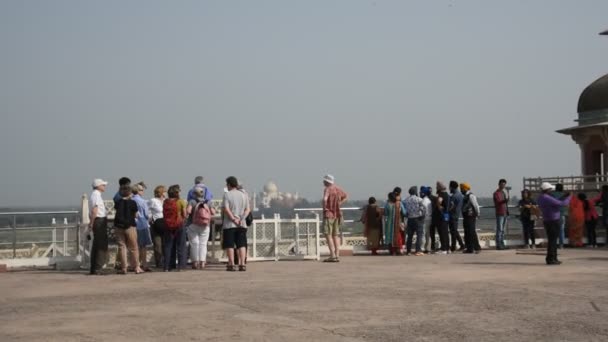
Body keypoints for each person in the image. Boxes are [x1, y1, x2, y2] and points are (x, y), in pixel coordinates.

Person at [537, 182, 571, 265]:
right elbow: (562, 204)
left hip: (547, 220)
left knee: (552, 240)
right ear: (547, 190)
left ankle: (552, 258)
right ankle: (551, 259)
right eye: (550, 189)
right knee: (553, 240)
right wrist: (569, 198)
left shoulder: (541, 197)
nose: (551, 190)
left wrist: (564, 197)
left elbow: (556, 202)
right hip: (553, 220)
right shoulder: (547, 197)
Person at [222, 176, 251, 271]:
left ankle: (231, 264)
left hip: (230, 224)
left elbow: (226, 209)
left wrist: (233, 219)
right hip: (241, 224)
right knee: (241, 244)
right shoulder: (244, 195)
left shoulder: (227, 195)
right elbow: (247, 209)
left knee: (230, 244)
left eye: (227, 184)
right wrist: (241, 219)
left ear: (229, 185)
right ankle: (242, 264)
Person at [114, 184, 143, 274]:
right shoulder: (133, 203)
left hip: (119, 226)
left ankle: (124, 268)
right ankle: (137, 267)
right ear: (130, 193)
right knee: (134, 247)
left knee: (122, 247)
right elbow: (136, 215)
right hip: (130, 226)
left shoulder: (118, 202)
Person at [321, 174, 348, 262]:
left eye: (324, 180)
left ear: (327, 181)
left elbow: (325, 199)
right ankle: (337, 254)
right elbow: (346, 196)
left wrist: (325, 208)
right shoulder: (337, 188)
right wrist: (339, 203)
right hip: (337, 214)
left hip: (329, 214)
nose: (323, 182)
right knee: (335, 235)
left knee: (328, 235)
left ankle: (332, 255)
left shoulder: (327, 189)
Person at [162, 185, 188, 272]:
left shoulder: (165, 202)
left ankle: (167, 266)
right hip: (179, 225)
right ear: (177, 193)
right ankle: (181, 266)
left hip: (168, 225)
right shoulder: (181, 201)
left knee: (168, 246)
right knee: (181, 246)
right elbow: (184, 214)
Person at [186, 188, 213, 269]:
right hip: (205, 225)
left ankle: (195, 263)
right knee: (203, 244)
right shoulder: (208, 202)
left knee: (194, 244)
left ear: (194, 194)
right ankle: (202, 263)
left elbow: (188, 211)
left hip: (193, 224)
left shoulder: (192, 201)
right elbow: (213, 212)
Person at [89, 179, 109, 275]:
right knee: (101, 245)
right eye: (103, 185)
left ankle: (94, 268)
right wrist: (91, 223)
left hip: (98, 220)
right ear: (98, 186)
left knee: (97, 245)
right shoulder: (96, 195)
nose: (104, 186)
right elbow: (95, 210)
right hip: (99, 221)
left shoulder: (95, 195)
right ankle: (98, 268)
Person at [132, 183, 153, 272]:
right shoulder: (142, 201)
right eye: (141, 190)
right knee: (143, 246)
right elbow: (147, 215)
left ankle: (135, 264)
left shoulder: (131, 200)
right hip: (142, 225)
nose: (143, 191)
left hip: (133, 225)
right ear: (138, 191)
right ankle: (144, 264)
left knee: (134, 246)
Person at [404, 186, 426, 256]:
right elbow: (423, 209)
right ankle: (417, 250)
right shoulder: (419, 199)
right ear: (415, 192)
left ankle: (408, 251)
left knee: (409, 236)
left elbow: (405, 211)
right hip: (418, 219)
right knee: (419, 235)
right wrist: (422, 216)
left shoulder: (406, 200)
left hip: (410, 219)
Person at [460, 183, 481, 254]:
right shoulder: (465, 196)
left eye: (462, 189)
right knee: (467, 232)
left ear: (465, 189)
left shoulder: (471, 196)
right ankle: (469, 248)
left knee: (471, 232)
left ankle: (476, 247)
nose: (461, 190)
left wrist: (478, 213)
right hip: (466, 216)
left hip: (471, 216)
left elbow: (475, 205)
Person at [148, 185, 166, 269]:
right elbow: (148, 210)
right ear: (161, 192)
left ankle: (166, 261)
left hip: (165, 223)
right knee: (157, 244)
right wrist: (150, 219)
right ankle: (159, 263)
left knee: (165, 243)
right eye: (165, 191)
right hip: (156, 224)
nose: (166, 193)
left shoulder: (165, 201)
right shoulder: (153, 200)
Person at [431, 182, 450, 255]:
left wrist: (439, 207)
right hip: (446, 215)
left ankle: (444, 249)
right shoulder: (447, 195)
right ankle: (447, 248)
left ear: (439, 188)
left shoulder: (441, 195)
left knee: (442, 232)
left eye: (437, 187)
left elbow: (439, 201)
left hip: (441, 216)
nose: (436, 188)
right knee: (445, 232)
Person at [448, 181, 465, 252]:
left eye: (450, 187)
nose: (449, 189)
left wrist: (447, 210)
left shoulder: (454, 196)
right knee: (455, 231)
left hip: (452, 215)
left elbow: (451, 206)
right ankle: (461, 244)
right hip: (457, 215)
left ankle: (453, 247)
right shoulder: (460, 195)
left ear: (452, 187)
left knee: (453, 232)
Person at [493, 179, 510, 250]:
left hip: (505, 212)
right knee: (499, 229)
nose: (503, 185)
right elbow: (498, 201)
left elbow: (505, 203)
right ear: (499, 184)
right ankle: (498, 244)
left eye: (504, 184)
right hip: (499, 213)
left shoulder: (503, 192)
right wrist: (505, 200)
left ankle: (502, 244)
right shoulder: (496, 193)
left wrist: (507, 210)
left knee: (503, 230)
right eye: (502, 184)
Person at [552, 183, 567, 249]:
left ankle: (553, 244)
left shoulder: (552, 195)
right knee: (561, 230)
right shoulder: (564, 195)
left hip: (553, 214)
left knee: (553, 230)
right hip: (562, 214)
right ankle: (561, 244)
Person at [420, 186, 433, 253]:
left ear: (423, 193)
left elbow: (422, 212)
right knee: (428, 234)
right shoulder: (428, 200)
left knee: (423, 234)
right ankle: (427, 248)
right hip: (429, 218)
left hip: (425, 219)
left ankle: (421, 248)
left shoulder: (423, 201)